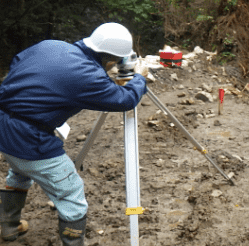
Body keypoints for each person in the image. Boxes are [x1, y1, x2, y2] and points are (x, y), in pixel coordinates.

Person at [0, 23, 149, 245]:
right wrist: (140, 78)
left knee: (20, 171)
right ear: (110, 61)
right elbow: (125, 100)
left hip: (4, 126)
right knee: (72, 194)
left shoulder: (51, 45)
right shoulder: (87, 76)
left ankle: (9, 227)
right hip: (30, 138)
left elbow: (17, 62)